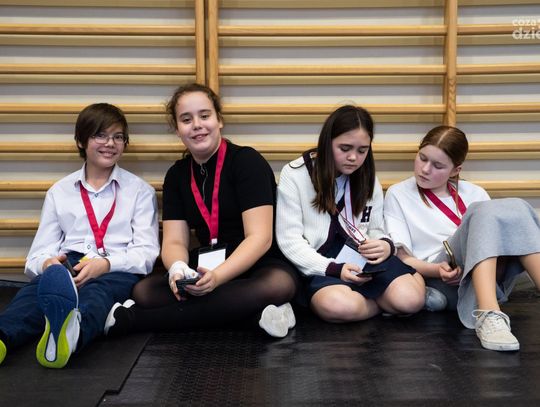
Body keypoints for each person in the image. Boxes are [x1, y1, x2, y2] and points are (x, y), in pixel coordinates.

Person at [104, 83, 298, 339]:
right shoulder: (176, 175)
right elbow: (174, 241)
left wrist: (218, 278)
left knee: (278, 285)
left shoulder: (247, 162)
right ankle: (254, 315)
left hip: (258, 263)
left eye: (204, 116)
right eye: (186, 119)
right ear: (177, 129)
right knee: (145, 291)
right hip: (209, 262)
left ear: (219, 120)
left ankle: (134, 320)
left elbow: (260, 239)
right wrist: (178, 269)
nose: (197, 125)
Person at [0, 103, 160, 368]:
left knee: (97, 296)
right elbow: (38, 254)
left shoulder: (140, 191)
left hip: (116, 267)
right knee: (31, 296)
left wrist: (105, 265)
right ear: (81, 141)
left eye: (118, 137)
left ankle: (70, 336)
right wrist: (48, 265)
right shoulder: (59, 191)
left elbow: (146, 253)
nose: (110, 143)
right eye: (100, 135)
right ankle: (3, 337)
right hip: (69, 263)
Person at [384, 125, 540, 351]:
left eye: (438, 166)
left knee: (518, 206)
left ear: (455, 170)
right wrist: (437, 270)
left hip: (485, 275)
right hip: (439, 276)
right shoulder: (398, 193)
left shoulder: (474, 192)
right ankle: (487, 313)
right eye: (422, 158)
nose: (425, 169)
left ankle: (487, 305)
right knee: (483, 211)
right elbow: (403, 259)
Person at [275, 105, 425, 324]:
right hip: (321, 262)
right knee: (339, 306)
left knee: (410, 300)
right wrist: (333, 269)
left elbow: (375, 229)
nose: (353, 157)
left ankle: (399, 299)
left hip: (361, 256)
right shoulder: (295, 174)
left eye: (362, 150)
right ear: (327, 142)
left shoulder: (366, 176)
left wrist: (385, 245)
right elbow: (290, 241)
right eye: (344, 148)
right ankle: (384, 304)